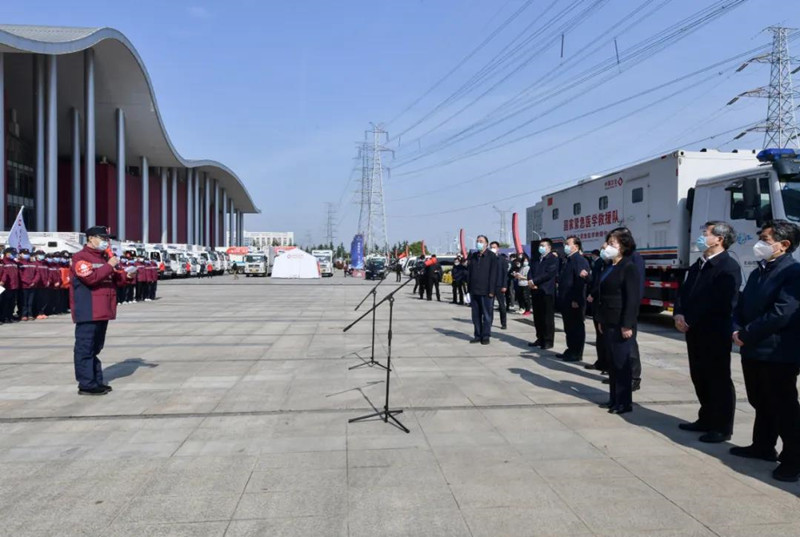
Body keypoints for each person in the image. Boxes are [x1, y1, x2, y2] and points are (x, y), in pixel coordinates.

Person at [730, 220, 800, 482]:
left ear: (784, 245)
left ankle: (793, 458)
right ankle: (762, 446)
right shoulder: (761, 270)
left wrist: (746, 334)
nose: (760, 243)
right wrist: (736, 327)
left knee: (784, 406)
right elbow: (743, 302)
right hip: (753, 349)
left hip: (778, 352)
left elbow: (781, 312)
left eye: (766, 239)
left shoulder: (793, 273)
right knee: (760, 400)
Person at [673, 221, 741, 443]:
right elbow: (683, 293)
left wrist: (690, 319)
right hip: (694, 331)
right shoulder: (698, 264)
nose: (701, 237)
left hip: (714, 331)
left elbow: (720, 302)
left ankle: (722, 427)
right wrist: (679, 313)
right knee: (699, 376)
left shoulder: (728, 267)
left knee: (718, 379)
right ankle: (706, 418)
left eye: (706, 234)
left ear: (719, 239)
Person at [71, 226, 133, 396]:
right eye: (102, 238)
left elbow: (112, 278)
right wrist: (110, 265)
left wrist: (125, 276)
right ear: (91, 238)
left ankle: (96, 380)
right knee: (85, 348)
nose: (105, 241)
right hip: (88, 309)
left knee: (95, 348)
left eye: (107, 239)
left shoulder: (104, 258)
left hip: (103, 309)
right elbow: (91, 279)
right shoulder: (80, 258)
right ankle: (86, 384)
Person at [594, 229, 641, 415]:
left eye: (613, 244)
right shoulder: (609, 266)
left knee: (622, 364)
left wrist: (627, 324)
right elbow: (601, 295)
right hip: (607, 320)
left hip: (621, 322)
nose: (609, 246)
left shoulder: (629, 267)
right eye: (609, 243)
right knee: (612, 363)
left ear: (624, 247)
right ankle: (613, 398)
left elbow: (632, 299)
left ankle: (624, 402)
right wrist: (599, 319)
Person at [610, 227, 646, 391]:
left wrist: (630, 316)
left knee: (630, 345)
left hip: (627, 311)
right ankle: (621, 377)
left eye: (614, 242)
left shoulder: (634, 259)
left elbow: (635, 289)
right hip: (615, 313)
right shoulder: (616, 260)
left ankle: (634, 377)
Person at [556, 236, 590, 362]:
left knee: (576, 327)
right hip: (566, 299)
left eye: (568, 244)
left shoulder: (579, 260)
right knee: (568, 327)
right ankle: (570, 349)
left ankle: (577, 352)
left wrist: (576, 299)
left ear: (576, 246)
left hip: (574, 300)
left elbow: (580, 282)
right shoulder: (568, 260)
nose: (565, 246)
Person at [524, 239, 558, 349]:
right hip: (535, 290)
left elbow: (549, 274)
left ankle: (548, 341)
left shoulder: (553, 259)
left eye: (543, 246)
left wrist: (535, 281)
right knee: (537, 317)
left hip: (546, 291)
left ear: (548, 247)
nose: (541, 248)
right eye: (540, 246)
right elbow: (530, 272)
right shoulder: (536, 259)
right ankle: (540, 338)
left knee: (547, 317)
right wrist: (530, 281)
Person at [467, 235, 498, 345]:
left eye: (481, 241)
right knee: (475, 315)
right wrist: (468, 289)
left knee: (487, 315)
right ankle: (477, 335)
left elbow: (494, 274)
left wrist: (492, 290)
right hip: (474, 291)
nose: (478, 243)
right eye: (477, 241)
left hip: (486, 291)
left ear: (486, 243)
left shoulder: (491, 256)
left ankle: (485, 335)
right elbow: (469, 273)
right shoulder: (474, 256)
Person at [585, 249, 609, 373]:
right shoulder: (603, 264)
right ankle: (601, 362)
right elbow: (597, 282)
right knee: (600, 336)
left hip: (608, 307)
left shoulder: (614, 266)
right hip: (598, 304)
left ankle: (609, 366)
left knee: (607, 338)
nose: (605, 250)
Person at [17, 248, 41, 321]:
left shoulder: (32, 263)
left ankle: (30, 314)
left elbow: (37, 273)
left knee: (30, 301)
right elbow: (19, 275)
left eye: (27, 254)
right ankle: (24, 314)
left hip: (32, 285)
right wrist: (27, 282)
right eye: (24, 253)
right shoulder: (20, 264)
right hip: (23, 286)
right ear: (20, 254)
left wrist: (34, 282)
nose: (26, 255)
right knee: (23, 301)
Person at [490, 242, 509, 330]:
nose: (493, 249)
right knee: (490, 305)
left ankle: (503, 323)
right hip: (490, 286)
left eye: (494, 247)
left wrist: (504, 285)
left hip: (500, 285)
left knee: (502, 306)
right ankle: (489, 322)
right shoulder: (488, 258)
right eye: (491, 247)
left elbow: (505, 273)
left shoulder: (502, 259)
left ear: (498, 248)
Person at [0, 248, 20, 323]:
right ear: (7, 253)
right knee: (4, 303)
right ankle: (3, 317)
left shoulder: (14, 262)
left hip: (14, 286)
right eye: (12, 253)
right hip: (6, 286)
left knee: (12, 303)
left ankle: (9, 316)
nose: (13, 255)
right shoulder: (3, 261)